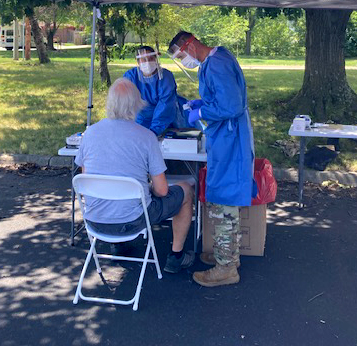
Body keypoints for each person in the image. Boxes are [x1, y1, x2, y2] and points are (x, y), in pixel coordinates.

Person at [75, 78, 194, 273]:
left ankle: (118, 245)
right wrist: (147, 188)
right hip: (133, 221)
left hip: (95, 221)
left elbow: (85, 178)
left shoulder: (90, 134)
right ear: (137, 105)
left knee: (121, 194)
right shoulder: (146, 137)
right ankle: (176, 256)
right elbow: (162, 191)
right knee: (186, 191)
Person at [168, 31, 257, 287]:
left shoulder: (216, 65)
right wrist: (202, 102)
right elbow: (224, 98)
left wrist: (201, 111)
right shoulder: (217, 58)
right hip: (227, 137)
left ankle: (226, 268)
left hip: (230, 140)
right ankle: (226, 254)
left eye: (181, 55)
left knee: (223, 198)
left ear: (189, 44)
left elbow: (231, 106)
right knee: (221, 195)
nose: (184, 60)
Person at [124, 46, 188, 136]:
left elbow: (165, 105)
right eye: (143, 59)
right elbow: (123, 103)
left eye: (151, 59)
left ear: (156, 59)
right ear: (137, 61)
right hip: (140, 116)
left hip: (165, 119)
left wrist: (154, 131)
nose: (147, 62)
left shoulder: (166, 76)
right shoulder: (130, 77)